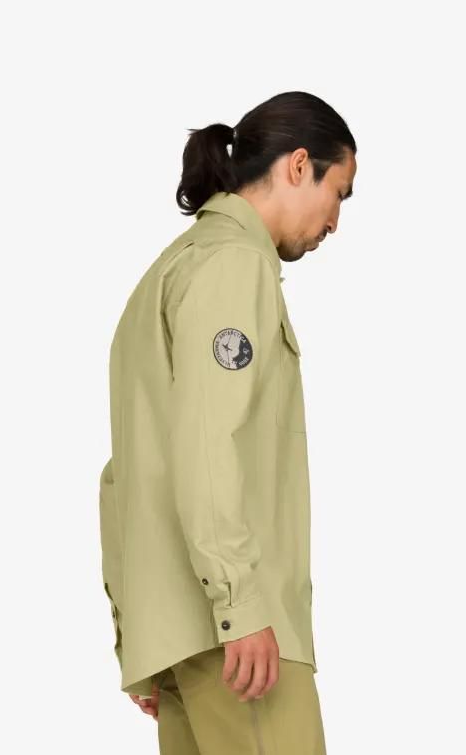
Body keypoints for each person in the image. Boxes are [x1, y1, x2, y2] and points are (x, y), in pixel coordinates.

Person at [98, 90, 357, 753]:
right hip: (237, 635)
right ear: (298, 165)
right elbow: (209, 443)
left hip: (182, 640)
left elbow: (121, 476)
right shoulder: (234, 265)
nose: (334, 222)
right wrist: (240, 604)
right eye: (339, 192)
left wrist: (139, 636)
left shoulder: (168, 270)